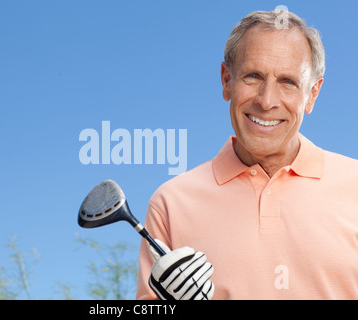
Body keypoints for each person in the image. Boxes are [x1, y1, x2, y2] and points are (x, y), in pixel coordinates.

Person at [136, 9, 358, 300]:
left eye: (288, 82)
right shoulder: (170, 204)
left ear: (312, 94)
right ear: (226, 80)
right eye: (253, 76)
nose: (267, 101)